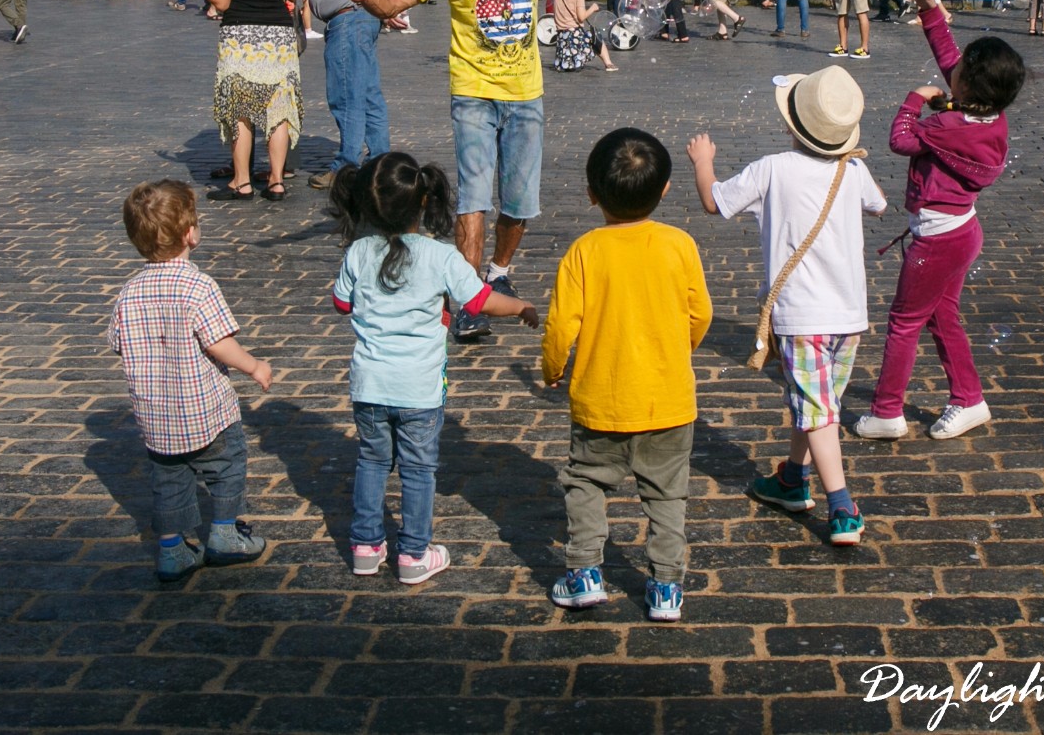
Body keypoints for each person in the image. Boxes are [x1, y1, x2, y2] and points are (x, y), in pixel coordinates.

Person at [346, 0, 634, 335]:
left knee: (519, 201)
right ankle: (465, 300)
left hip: (525, 94)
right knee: (474, 199)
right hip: (474, 93)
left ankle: (498, 272)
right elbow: (391, 5)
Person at [687, 65, 886, 544]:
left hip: (801, 317)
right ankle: (792, 480)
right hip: (848, 317)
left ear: (793, 124)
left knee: (816, 410)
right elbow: (878, 204)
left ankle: (842, 508)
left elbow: (715, 202)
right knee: (817, 404)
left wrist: (702, 161)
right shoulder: (853, 168)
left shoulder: (773, 167)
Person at [330, 152, 538, 585]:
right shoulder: (440, 257)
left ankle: (366, 548)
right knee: (418, 470)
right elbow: (480, 301)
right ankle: (413, 554)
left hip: (369, 386)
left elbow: (342, 303)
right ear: (423, 203)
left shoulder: (358, 252)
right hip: (420, 391)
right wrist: (518, 306)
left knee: (371, 461)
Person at [541, 129, 712, 622]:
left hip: (601, 401)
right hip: (669, 402)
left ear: (592, 192)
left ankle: (584, 573)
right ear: (664, 190)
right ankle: (664, 588)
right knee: (667, 496)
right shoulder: (678, 244)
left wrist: (552, 370)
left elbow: (560, 327)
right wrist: (679, 351)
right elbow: (700, 314)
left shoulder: (584, 252)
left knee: (586, 484)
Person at [855, 0, 1024, 442]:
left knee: (904, 321)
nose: (953, 71)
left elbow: (902, 140)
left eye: (961, 72)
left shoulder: (949, 127)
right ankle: (969, 399)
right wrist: (932, 14)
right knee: (942, 316)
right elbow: (951, 61)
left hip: (937, 241)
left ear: (969, 87)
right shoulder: (989, 116)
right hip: (960, 232)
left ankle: (887, 411)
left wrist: (913, 100)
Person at [110, 180, 272, 583]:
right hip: (206, 410)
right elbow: (220, 344)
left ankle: (171, 550)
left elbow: (117, 342)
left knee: (168, 480)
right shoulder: (198, 286)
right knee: (227, 465)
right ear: (190, 234)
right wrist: (253, 366)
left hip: (157, 416)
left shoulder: (129, 292)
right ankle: (223, 534)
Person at [196, 0, 302, 202]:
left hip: (240, 39)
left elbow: (222, 2)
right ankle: (277, 181)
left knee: (240, 110)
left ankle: (241, 182)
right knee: (279, 110)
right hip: (278, 40)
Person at [306, 0, 392, 190]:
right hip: (351, 20)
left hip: (351, 20)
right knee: (365, 94)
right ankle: (380, 162)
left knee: (347, 95)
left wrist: (386, 9)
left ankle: (347, 165)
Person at [551, 0, 617, 71]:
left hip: (562, 39)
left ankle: (568, 61)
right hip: (575, 36)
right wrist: (593, 8)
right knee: (595, 36)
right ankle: (608, 64)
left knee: (591, 35)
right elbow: (581, 17)